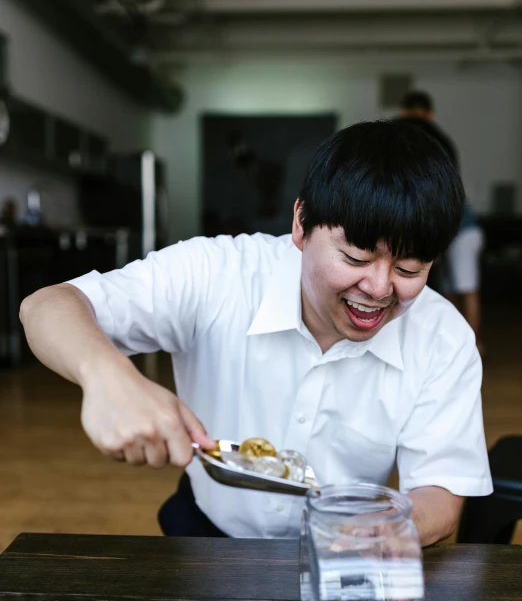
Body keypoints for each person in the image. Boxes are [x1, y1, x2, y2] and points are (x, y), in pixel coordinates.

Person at [19, 120, 492, 546]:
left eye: (410, 267)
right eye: (355, 258)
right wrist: (107, 377)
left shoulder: (442, 336)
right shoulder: (218, 272)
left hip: (347, 551)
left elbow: (441, 490)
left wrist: (383, 532)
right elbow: (46, 306)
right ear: (301, 224)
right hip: (203, 535)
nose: (378, 287)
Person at [396, 90, 485, 349]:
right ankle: (460, 340)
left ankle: (467, 342)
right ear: (431, 114)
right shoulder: (441, 140)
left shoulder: (396, 133)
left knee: (452, 286)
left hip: (451, 225)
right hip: (445, 223)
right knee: (451, 286)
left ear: (402, 112)